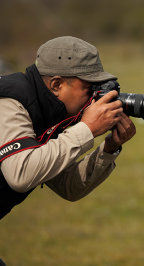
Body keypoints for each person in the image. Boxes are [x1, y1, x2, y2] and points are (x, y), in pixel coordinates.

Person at [0, 36, 136, 219]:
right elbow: (21, 174)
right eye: (89, 89)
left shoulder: (52, 112)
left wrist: (109, 149)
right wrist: (86, 128)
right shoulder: (10, 103)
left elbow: (68, 186)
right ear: (57, 85)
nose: (94, 98)